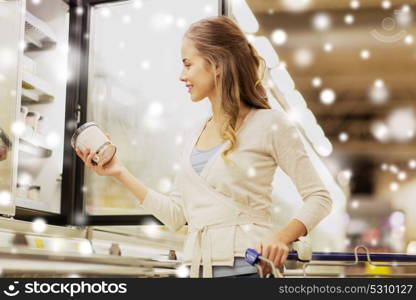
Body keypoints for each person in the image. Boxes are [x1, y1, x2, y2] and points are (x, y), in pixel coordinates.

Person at [75, 16, 332, 278]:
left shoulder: (270, 124)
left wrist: (281, 237)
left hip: (249, 269)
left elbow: (319, 197)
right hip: (197, 269)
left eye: (188, 64)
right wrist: (119, 172)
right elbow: (177, 215)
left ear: (217, 64)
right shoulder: (192, 134)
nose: (182, 75)